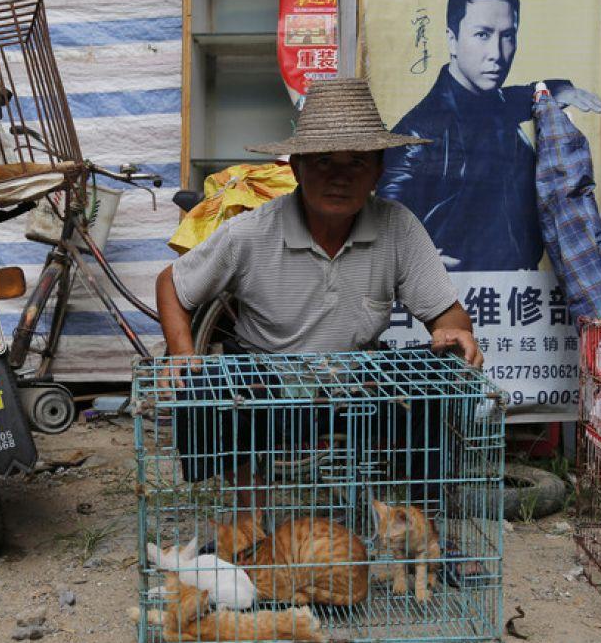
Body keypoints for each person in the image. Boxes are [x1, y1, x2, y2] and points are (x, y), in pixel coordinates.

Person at [155, 78, 482, 509]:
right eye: (324, 162)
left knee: (437, 375)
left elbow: (449, 317)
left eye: (356, 163)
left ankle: (426, 522)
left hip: (355, 381)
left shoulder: (398, 226)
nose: (339, 178)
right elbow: (171, 284)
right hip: (266, 383)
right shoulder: (251, 233)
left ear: (377, 170)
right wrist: (182, 353)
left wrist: (452, 334)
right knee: (204, 384)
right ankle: (244, 515)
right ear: (297, 169)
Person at [379, 0, 601, 272]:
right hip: (456, 303)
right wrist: (410, 260)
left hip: (521, 296)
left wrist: (558, 88)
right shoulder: (416, 136)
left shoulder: (495, 103)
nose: (496, 54)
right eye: (482, 35)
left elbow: (518, 95)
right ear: (452, 40)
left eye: (507, 36)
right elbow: (383, 228)